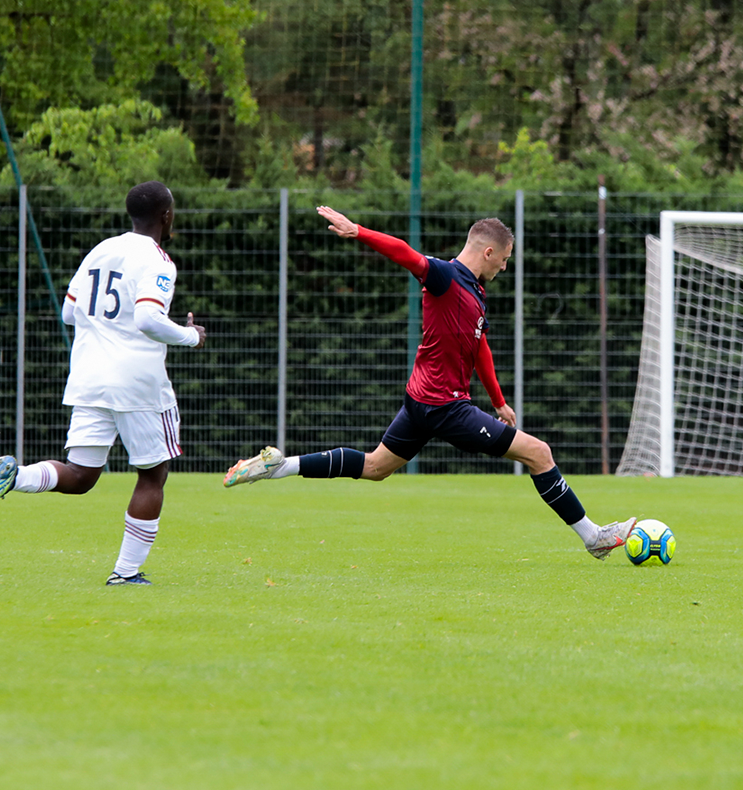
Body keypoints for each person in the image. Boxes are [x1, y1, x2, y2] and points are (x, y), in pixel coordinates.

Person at [224, 206, 636, 558]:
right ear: (488, 252)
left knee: (375, 467)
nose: (504, 267)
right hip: (445, 407)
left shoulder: (474, 291)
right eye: (504, 259)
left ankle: (279, 466)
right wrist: (358, 231)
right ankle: (593, 537)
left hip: (420, 402)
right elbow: (406, 254)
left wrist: (498, 400)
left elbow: (479, 345)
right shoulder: (445, 276)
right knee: (539, 453)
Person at [0, 181, 207, 586]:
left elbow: (69, 312)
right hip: (137, 384)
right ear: (166, 216)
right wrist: (190, 336)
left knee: (80, 475)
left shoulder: (101, 249)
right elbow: (147, 318)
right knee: (153, 474)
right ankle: (125, 574)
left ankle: (15, 476)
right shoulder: (158, 260)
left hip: (89, 376)